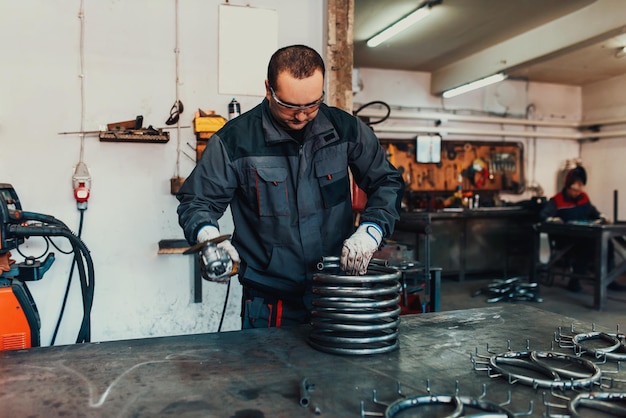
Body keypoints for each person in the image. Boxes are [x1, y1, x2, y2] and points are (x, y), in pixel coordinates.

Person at [177, 45, 404, 329]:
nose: (300, 116)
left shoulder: (345, 130)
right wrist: (209, 236)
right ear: (268, 89)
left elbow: (387, 181)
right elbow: (197, 201)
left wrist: (373, 230)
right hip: (270, 303)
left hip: (337, 293)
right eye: (289, 106)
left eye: (311, 105)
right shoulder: (234, 141)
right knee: (268, 375)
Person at [539, 165, 625, 292]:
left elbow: (594, 212)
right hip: (566, 239)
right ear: (568, 187)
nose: (577, 192)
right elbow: (543, 215)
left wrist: (601, 216)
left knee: (608, 244)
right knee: (586, 247)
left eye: (580, 188)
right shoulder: (557, 200)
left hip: (585, 236)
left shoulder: (583, 198)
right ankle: (574, 281)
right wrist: (553, 220)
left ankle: (609, 280)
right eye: (574, 189)